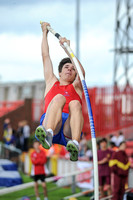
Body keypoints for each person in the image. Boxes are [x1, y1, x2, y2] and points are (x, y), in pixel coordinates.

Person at [35, 22, 85, 161]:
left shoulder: (76, 87)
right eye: (66, 67)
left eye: (72, 68)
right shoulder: (51, 81)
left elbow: (81, 72)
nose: (70, 69)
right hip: (51, 122)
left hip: (69, 127)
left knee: (75, 103)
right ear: (60, 72)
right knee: (59, 98)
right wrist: (44, 33)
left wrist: (67, 50)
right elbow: (45, 56)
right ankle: (48, 134)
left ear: (75, 74)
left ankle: (74, 144)